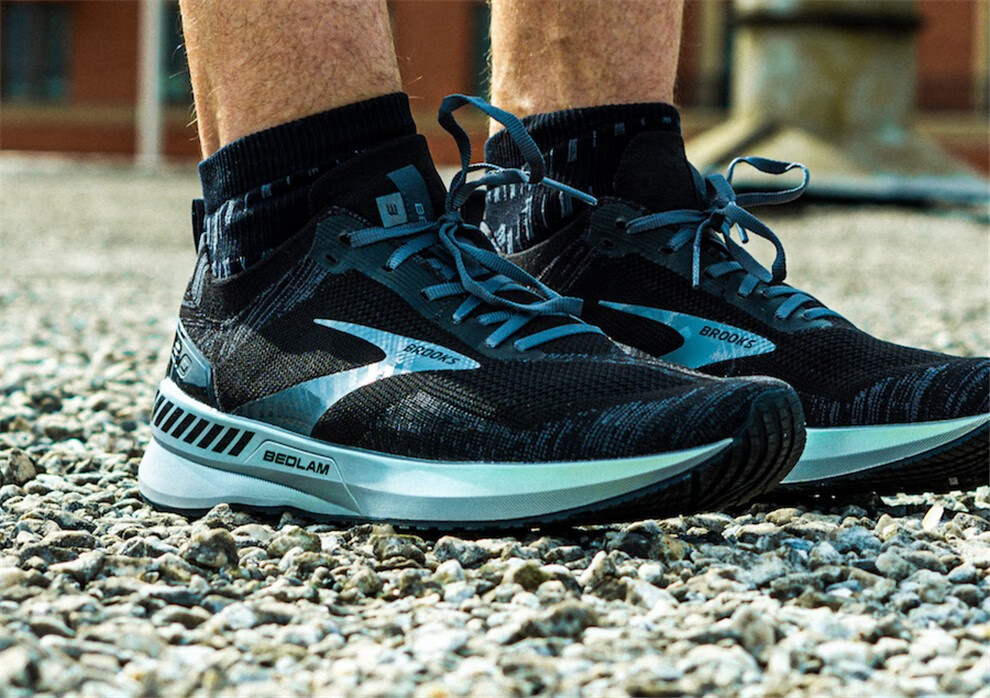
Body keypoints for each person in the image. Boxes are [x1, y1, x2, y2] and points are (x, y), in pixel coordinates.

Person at [137, 1, 986, 527]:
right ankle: (282, 248)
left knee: (590, 169)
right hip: (281, 275)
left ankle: (582, 216)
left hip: (579, 242)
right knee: (321, 196)